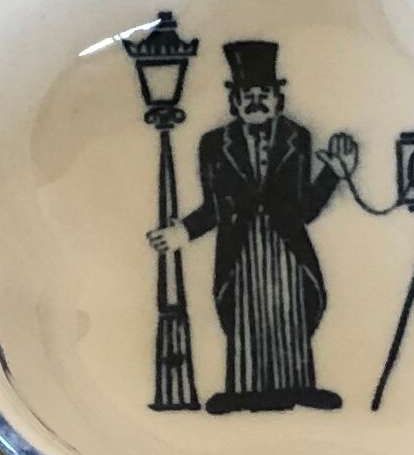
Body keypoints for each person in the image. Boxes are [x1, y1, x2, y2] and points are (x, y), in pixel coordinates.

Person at [148, 39, 360, 413]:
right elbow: (214, 206)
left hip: (286, 247)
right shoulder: (214, 144)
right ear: (235, 101)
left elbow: (306, 209)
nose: (256, 102)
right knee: (245, 316)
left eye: (264, 95)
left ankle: (298, 386)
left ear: (278, 100)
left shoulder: (297, 137)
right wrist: (184, 231)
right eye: (248, 96)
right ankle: (243, 391)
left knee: (290, 313)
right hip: (240, 247)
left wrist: (333, 173)